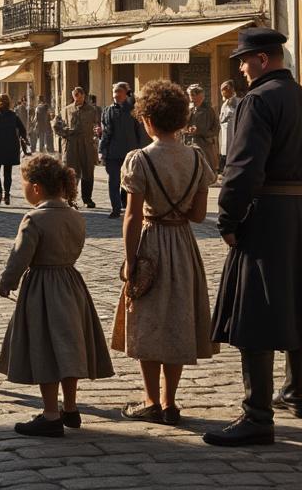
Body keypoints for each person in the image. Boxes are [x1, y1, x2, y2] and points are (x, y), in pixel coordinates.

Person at [204, 29, 302, 448]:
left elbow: (243, 168)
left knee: (255, 313)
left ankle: (257, 415)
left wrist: (228, 219)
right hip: (301, 217)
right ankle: (297, 394)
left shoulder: (257, 101)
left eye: (244, 61)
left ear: (263, 59)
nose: (241, 69)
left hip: (266, 214)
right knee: (300, 302)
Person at [112, 80, 218, 427]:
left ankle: (151, 399)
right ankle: (171, 401)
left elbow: (131, 216)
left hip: (152, 240)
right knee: (177, 321)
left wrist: (130, 261)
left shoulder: (139, 159)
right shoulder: (196, 157)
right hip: (184, 245)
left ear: (148, 120)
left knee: (147, 320)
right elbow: (199, 215)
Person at [0, 154, 114, 437]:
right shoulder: (75, 216)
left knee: (45, 349)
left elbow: (19, 257)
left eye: (23, 184)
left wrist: (6, 282)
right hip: (72, 284)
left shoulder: (34, 218)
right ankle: (70, 407)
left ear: (36, 188)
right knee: (69, 347)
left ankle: (50, 413)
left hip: (42, 286)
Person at [99, 82, 147, 219]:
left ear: (126, 93)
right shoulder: (107, 111)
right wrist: (102, 150)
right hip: (113, 154)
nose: (116, 95)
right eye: (114, 91)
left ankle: (127, 206)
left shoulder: (134, 110)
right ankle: (115, 208)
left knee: (128, 182)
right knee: (113, 181)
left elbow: (140, 133)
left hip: (130, 154)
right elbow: (106, 133)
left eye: (119, 91)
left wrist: (141, 151)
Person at [56, 87, 100, 208]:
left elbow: (98, 125)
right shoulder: (66, 110)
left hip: (87, 146)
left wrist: (98, 132)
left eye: (79, 95)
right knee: (71, 173)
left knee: (88, 172)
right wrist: (66, 132)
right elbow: (56, 125)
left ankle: (87, 199)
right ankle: (70, 198)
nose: (77, 98)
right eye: (75, 95)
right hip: (71, 146)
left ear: (83, 96)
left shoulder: (92, 110)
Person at [0, 93, 29, 207]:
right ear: (9, 103)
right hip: (11, 147)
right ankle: (7, 194)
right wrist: (24, 139)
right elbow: (22, 129)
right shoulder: (13, 115)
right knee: (7, 172)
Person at [185, 84, 219, 177]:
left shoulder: (208, 110)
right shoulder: (190, 109)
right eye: (189, 95)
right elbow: (185, 124)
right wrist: (188, 128)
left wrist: (199, 131)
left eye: (192, 95)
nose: (190, 97)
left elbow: (214, 128)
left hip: (204, 144)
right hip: (191, 142)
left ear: (199, 96)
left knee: (206, 168)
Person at [218, 80, 241, 177]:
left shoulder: (239, 101)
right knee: (224, 153)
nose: (222, 92)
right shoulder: (224, 104)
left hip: (233, 133)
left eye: (224, 89)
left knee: (233, 152)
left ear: (230, 89)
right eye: (221, 89)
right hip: (224, 133)